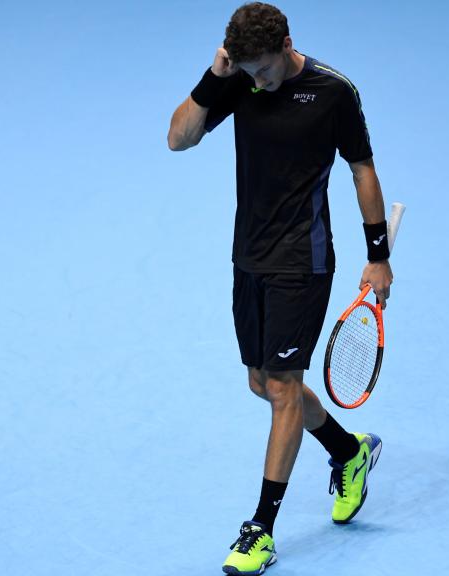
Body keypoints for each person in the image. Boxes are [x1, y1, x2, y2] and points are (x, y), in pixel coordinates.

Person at [167, 3, 394, 574]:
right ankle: (349, 451)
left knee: (285, 386)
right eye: (248, 71)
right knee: (263, 385)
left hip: (303, 260)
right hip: (249, 256)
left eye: (265, 69)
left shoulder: (332, 92)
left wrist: (378, 257)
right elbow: (178, 139)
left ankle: (260, 529)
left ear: (289, 44)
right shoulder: (239, 80)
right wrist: (215, 78)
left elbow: (361, 168)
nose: (259, 81)